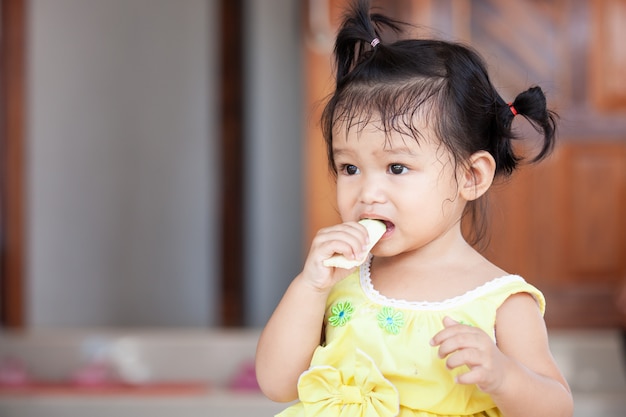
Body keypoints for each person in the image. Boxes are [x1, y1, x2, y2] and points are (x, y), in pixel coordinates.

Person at [255, 1, 573, 416]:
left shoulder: (502, 302)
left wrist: (503, 376)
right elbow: (277, 385)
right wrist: (309, 288)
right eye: (349, 167)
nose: (368, 191)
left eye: (397, 167)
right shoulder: (340, 278)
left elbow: (557, 408)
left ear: (471, 176)